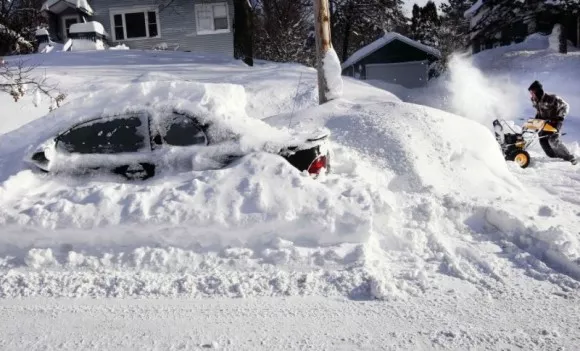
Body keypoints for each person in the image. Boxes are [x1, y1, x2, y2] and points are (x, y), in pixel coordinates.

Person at [528, 80, 577, 165]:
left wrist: (560, 117)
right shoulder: (534, 100)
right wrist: (535, 122)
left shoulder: (552, 98)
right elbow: (539, 111)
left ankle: (570, 157)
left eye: (532, 92)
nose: (531, 95)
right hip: (544, 121)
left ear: (538, 91)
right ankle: (555, 158)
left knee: (553, 140)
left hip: (555, 122)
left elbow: (566, 106)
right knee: (541, 140)